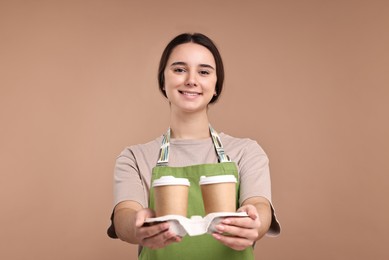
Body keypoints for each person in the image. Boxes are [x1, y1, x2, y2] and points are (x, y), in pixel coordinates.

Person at [107, 33, 280, 259]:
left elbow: (259, 205)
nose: (191, 80)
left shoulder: (247, 152)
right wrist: (138, 225)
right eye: (179, 69)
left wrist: (255, 221)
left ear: (216, 85)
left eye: (204, 72)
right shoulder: (134, 157)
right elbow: (124, 216)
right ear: (162, 81)